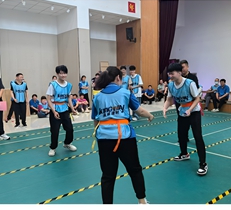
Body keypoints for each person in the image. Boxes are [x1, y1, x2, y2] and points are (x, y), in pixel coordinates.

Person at [92, 66, 153, 204]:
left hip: (104, 139)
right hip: (125, 138)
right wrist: (150, 115)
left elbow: (96, 120)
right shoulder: (125, 93)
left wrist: (98, 135)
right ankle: (142, 201)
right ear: (118, 78)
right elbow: (139, 111)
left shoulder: (97, 97)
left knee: (108, 176)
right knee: (135, 170)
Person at [164, 62, 208, 175]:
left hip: (194, 112)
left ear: (179, 73)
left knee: (198, 137)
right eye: (169, 74)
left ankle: (203, 164)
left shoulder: (189, 83)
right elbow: (169, 99)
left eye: (172, 73)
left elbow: (197, 99)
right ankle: (184, 154)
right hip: (182, 111)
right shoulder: (170, 85)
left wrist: (190, 110)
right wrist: (165, 108)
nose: (170, 76)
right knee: (181, 135)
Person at [47, 65, 78, 156]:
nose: (63, 75)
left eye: (65, 73)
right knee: (55, 131)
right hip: (55, 110)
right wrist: (54, 111)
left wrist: (72, 109)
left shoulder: (69, 85)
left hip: (65, 110)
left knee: (70, 129)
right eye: (61, 73)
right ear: (57, 74)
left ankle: (67, 143)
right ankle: (53, 148)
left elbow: (69, 98)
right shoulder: (53, 85)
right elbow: (48, 99)